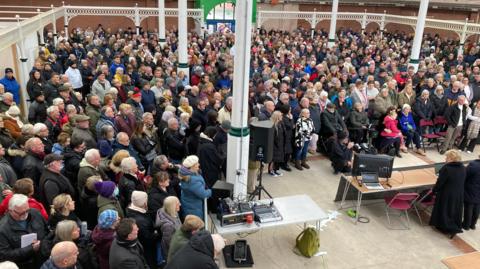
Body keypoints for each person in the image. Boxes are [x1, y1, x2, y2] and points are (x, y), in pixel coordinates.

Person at [0, 194, 49, 269]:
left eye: (27, 210)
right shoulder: (3, 229)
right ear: (10, 211)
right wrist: (30, 249)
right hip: (22, 265)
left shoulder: (35, 213)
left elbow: (47, 232)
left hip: (42, 261)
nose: (25, 214)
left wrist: (44, 246)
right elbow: (4, 255)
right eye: (21, 213)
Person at [430, 150, 466, 238]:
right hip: (459, 193)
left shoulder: (446, 168)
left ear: (451, 158)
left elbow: (440, 182)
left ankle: (445, 227)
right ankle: (453, 226)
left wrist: (434, 191)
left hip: (447, 193)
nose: (445, 159)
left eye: (447, 157)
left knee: (444, 210)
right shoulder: (463, 167)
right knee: (453, 211)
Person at [126, 191, 157, 269]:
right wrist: (156, 234)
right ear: (144, 203)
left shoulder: (131, 209)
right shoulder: (141, 221)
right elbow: (147, 239)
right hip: (146, 249)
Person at [156, 196, 182, 260]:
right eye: (178, 204)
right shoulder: (168, 225)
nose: (180, 204)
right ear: (172, 206)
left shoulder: (173, 213)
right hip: (173, 253)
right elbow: (169, 243)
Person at [463, 157, 480, 230]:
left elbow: (465, 175)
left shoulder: (474, 164)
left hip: (471, 188)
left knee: (469, 206)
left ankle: (466, 225)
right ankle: (473, 224)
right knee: (477, 206)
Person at [269, 111, 286, 176]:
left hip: (280, 143)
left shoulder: (280, 123)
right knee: (273, 159)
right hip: (274, 145)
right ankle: (271, 170)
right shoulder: (272, 125)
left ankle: (275, 170)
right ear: (277, 117)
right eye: (281, 116)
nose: (282, 117)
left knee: (278, 159)